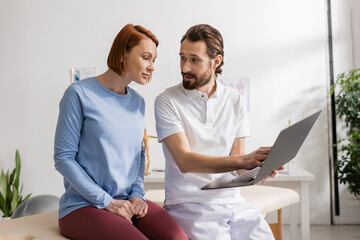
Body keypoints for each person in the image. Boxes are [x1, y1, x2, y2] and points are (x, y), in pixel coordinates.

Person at [54, 24, 187, 240]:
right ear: (123, 53)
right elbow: (63, 158)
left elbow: (138, 155)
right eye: (146, 57)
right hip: (83, 206)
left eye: (154, 60)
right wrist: (106, 201)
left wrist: (137, 195)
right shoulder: (78, 94)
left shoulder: (137, 102)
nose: (151, 66)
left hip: (128, 202)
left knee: (178, 238)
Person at [155, 24, 280, 240]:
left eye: (194, 60)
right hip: (189, 204)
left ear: (216, 61)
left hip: (234, 202)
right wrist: (244, 160)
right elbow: (185, 162)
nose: (185, 67)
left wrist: (258, 171)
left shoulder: (235, 100)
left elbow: (237, 167)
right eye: (182, 58)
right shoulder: (167, 101)